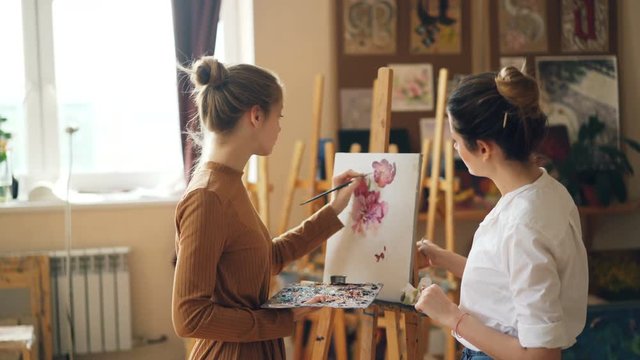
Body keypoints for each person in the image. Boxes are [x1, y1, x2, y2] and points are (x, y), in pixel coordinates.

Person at [171, 57, 361, 359]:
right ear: (256, 116)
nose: (280, 127)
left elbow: (266, 258)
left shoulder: (230, 182)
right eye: (279, 117)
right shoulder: (208, 197)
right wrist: (281, 318)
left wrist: (334, 208)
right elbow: (189, 316)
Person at [414, 67, 588, 360]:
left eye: (456, 140)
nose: (455, 148)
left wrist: (450, 316)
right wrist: (443, 259)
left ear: (483, 148)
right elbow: (508, 280)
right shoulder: (545, 190)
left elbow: (541, 356)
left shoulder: (524, 225)